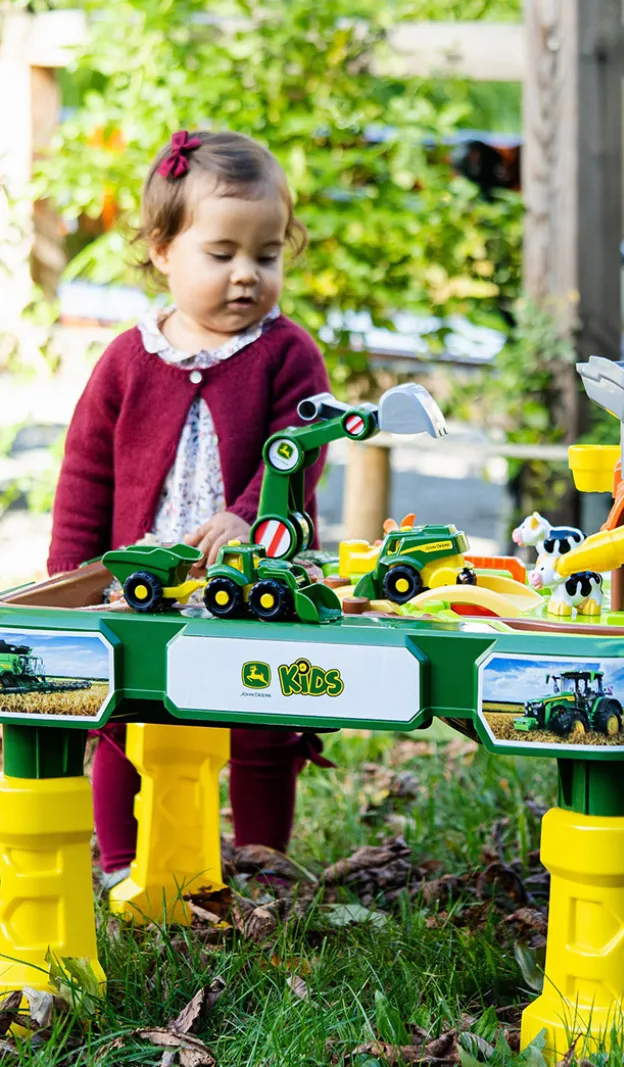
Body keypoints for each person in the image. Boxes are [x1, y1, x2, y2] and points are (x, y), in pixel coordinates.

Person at [48, 129, 331, 884]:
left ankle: (262, 857)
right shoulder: (128, 359)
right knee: (129, 711)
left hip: (251, 576)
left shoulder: (287, 352)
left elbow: (299, 450)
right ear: (163, 250)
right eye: (222, 253)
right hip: (144, 583)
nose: (247, 275)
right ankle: (122, 859)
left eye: (267, 255)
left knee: (262, 714)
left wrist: (251, 516)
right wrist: (71, 577)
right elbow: (86, 473)